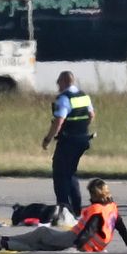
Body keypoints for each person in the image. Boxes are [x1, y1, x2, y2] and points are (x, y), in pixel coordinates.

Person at [0, 179, 127, 253]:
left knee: (41, 233)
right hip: (92, 245)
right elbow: (121, 227)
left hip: (76, 240)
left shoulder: (97, 210)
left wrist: (75, 247)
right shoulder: (112, 207)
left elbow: (88, 230)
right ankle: (2, 243)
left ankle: (2, 240)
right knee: (38, 245)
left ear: (96, 194)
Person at [42, 72, 93, 216]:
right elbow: (91, 115)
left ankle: (63, 209)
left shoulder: (64, 98)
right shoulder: (84, 96)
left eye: (58, 83)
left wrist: (48, 139)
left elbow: (59, 120)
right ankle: (76, 208)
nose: (58, 86)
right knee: (71, 173)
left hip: (68, 140)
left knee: (60, 174)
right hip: (82, 139)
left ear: (64, 81)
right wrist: (81, 128)